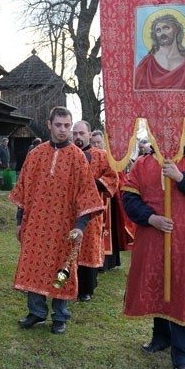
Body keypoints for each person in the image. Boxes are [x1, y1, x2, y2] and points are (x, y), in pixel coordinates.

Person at [121, 143, 185, 369]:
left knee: (181, 292)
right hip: (153, 240)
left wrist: (181, 178)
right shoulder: (143, 163)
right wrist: (151, 218)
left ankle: (183, 356)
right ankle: (161, 338)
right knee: (158, 288)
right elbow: (129, 197)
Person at [9, 107, 103, 334]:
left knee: (63, 268)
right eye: (59, 125)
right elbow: (24, 191)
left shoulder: (78, 158)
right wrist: (20, 221)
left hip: (65, 227)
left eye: (67, 126)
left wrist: (80, 226)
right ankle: (36, 311)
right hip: (36, 225)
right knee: (34, 266)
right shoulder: (35, 155)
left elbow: (87, 195)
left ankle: (60, 315)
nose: (63, 130)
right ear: (49, 124)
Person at [72, 122, 116, 300]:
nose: (78, 137)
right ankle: (67, 284)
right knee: (69, 246)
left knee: (88, 246)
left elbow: (113, 178)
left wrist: (94, 184)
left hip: (92, 212)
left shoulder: (101, 156)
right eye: (75, 134)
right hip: (69, 211)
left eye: (81, 133)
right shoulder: (68, 154)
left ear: (89, 134)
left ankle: (86, 289)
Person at [90, 130, 135, 270]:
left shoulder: (111, 158)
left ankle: (108, 261)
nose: (96, 144)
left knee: (108, 230)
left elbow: (118, 178)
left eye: (98, 142)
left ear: (103, 142)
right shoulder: (88, 156)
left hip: (109, 200)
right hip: (93, 198)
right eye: (94, 142)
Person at [134, 13, 185, 90]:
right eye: (158, 30)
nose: (162, 33)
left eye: (166, 28)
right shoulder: (146, 63)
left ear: (176, 30)